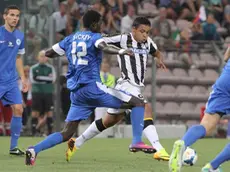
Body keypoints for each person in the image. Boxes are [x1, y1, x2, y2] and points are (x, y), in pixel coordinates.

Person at [25, 10, 146, 166]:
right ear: (94, 24)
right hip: (93, 88)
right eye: (101, 22)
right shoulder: (95, 37)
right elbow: (102, 45)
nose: (102, 25)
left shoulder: (69, 39)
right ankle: (136, 141)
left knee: (67, 132)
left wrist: (60, 52)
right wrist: (121, 51)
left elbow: (49, 53)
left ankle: (34, 150)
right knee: (138, 102)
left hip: (77, 93)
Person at [66, 16, 169, 162]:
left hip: (136, 87)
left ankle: (76, 143)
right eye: (142, 31)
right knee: (146, 108)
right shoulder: (122, 39)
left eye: (147, 32)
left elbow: (157, 52)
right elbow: (99, 40)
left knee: (109, 120)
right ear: (133, 29)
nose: (145, 35)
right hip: (126, 85)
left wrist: (159, 59)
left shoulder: (148, 43)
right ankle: (159, 149)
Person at [169, 47, 230, 172]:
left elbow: (225, 57)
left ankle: (183, 143)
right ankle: (212, 166)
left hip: (225, 79)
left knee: (207, 125)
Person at [0, 5, 28, 155]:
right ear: (4, 16)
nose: (15, 18)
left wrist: (23, 78)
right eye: (11, 15)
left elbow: (18, 58)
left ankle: (13, 147)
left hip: (11, 81)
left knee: (18, 109)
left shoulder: (20, 36)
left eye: (17, 15)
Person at [30, 50, 56, 136]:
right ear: (38, 57)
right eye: (41, 56)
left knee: (49, 112)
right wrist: (46, 79)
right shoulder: (33, 68)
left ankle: (49, 132)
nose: (43, 58)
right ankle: (33, 132)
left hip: (48, 93)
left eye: (45, 56)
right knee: (35, 112)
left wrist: (40, 78)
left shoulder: (50, 68)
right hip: (37, 92)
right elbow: (34, 79)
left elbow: (52, 80)